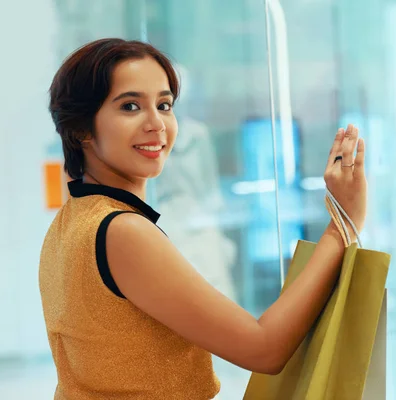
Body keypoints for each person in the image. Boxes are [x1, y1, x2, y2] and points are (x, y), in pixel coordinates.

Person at [39, 38, 367, 400]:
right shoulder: (122, 231)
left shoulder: (71, 221)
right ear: (81, 129)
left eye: (164, 105)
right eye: (130, 106)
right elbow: (264, 349)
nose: (157, 124)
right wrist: (342, 224)